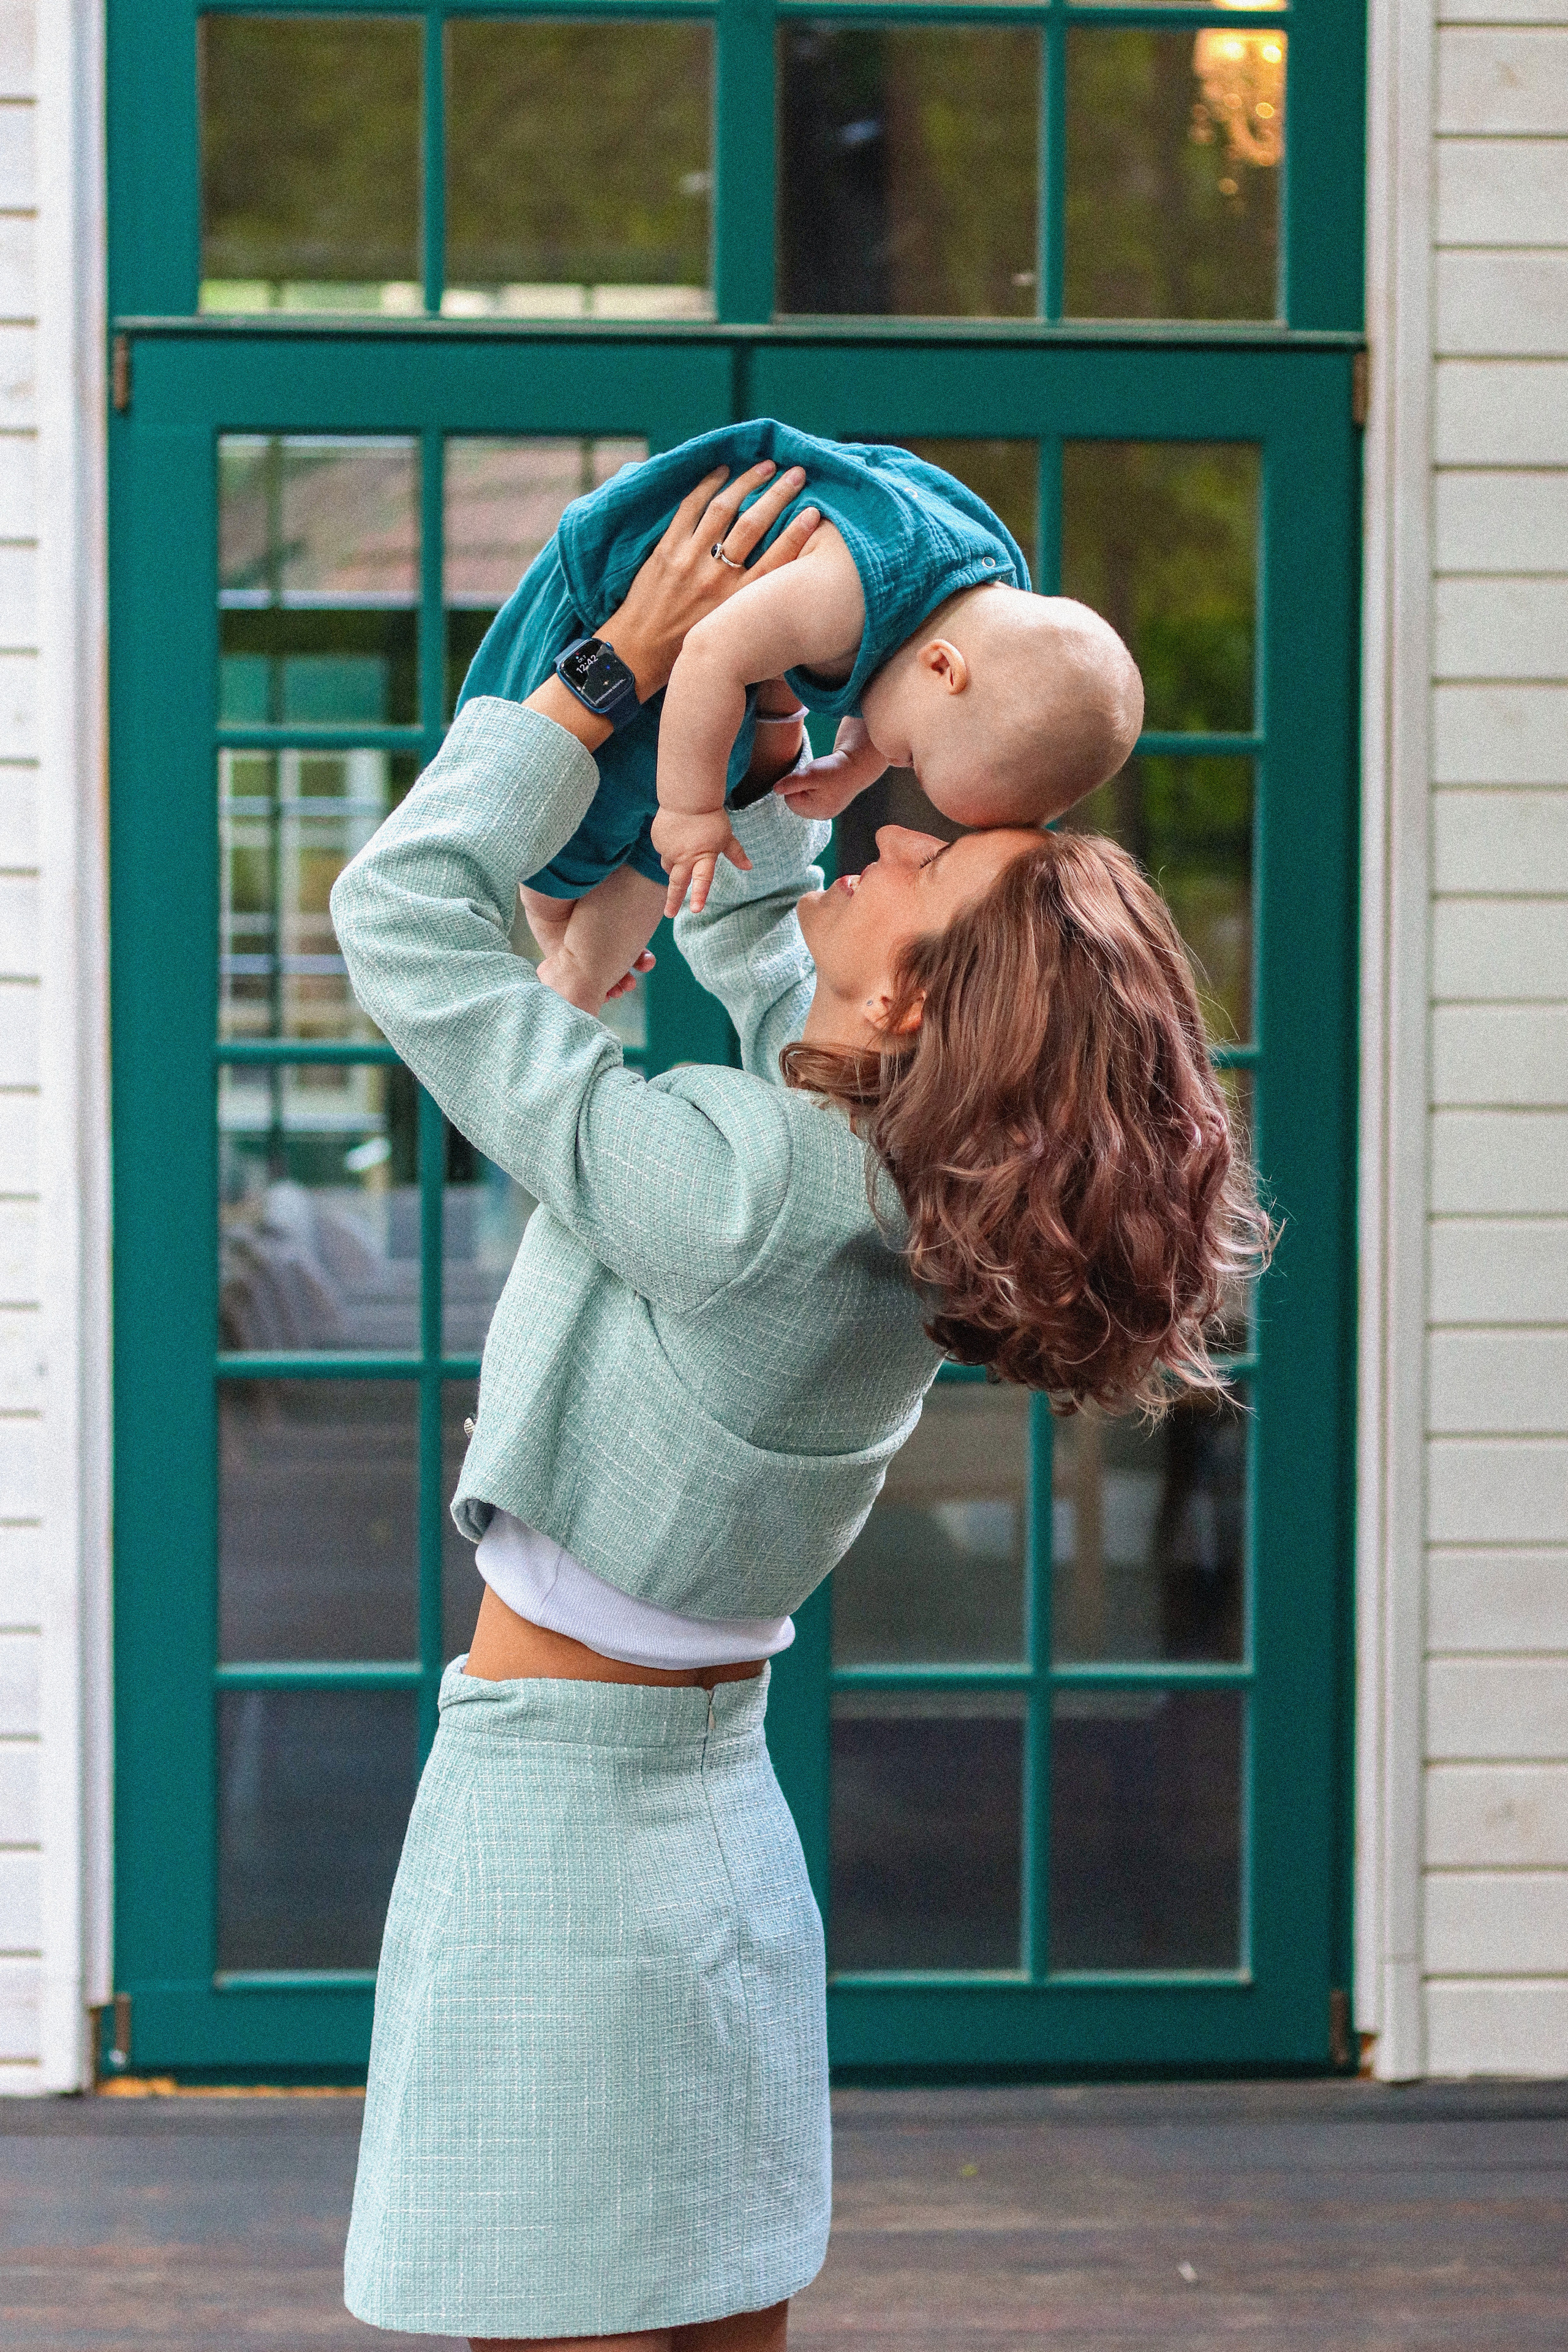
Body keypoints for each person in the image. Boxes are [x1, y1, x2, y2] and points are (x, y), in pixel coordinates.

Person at [330, 462, 1268, 2351]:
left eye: (925, 866)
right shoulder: (888, 1190)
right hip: (698, 1829)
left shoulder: (764, 1189)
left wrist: (602, 679)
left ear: (920, 1010)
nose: (901, 830)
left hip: (566, 1841)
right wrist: (757, 756)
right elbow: (767, 964)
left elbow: (403, 921)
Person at [459, 419, 1143, 1010]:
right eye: (908, 756)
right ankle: (560, 940)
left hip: (727, 657)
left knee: (691, 821)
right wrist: (691, 811)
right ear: (942, 666)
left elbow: (888, 675)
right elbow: (709, 653)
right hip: (613, 594)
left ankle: (581, 967)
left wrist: (851, 761)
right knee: (587, 830)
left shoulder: (980, 602)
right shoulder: (844, 590)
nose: (892, 761)